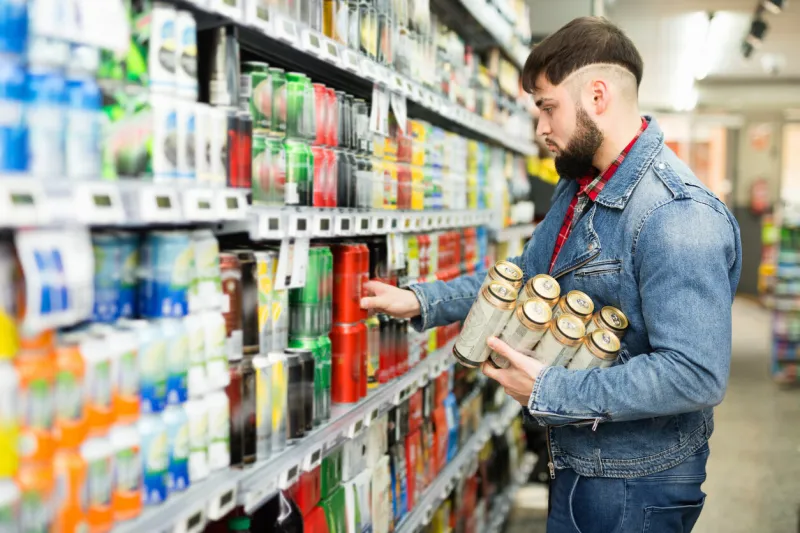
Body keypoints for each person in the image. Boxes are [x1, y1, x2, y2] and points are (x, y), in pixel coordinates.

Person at [361, 16, 742, 533]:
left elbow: (695, 374)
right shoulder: (584, 185)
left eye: (547, 107)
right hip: (582, 457)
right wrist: (421, 300)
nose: (540, 128)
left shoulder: (677, 216)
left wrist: (551, 390)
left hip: (635, 480)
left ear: (598, 96)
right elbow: (521, 281)